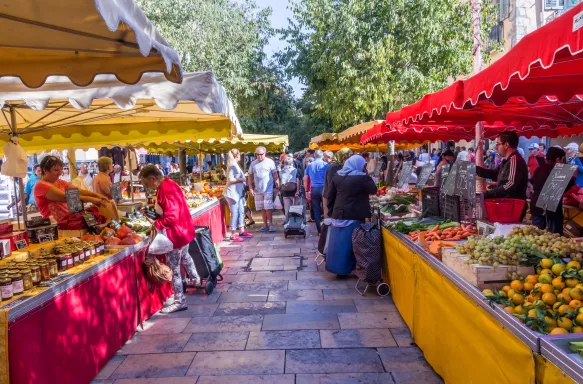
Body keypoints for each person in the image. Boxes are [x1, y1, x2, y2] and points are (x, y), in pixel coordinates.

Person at [139, 164, 200, 313]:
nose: (148, 187)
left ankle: (180, 300)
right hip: (184, 229)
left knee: (174, 267)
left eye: (147, 183)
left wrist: (157, 224)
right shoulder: (168, 184)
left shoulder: (166, 190)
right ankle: (195, 279)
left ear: (153, 178)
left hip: (177, 233)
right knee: (185, 256)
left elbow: (171, 217)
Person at [326, 155, 377, 276]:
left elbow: (330, 195)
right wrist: (367, 174)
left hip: (338, 213)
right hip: (354, 214)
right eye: (363, 165)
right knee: (353, 244)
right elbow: (373, 189)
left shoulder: (338, 175)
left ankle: (336, 268)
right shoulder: (361, 178)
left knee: (338, 243)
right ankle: (352, 268)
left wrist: (331, 211)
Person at [34, 156, 107, 224]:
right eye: (56, 170)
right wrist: (91, 199)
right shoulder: (40, 185)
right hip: (54, 225)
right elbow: (66, 197)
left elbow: (79, 191)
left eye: (61, 170)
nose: (60, 173)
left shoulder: (60, 182)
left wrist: (97, 195)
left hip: (68, 222)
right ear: (45, 170)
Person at [476, 132, 528, 201]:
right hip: (505, 204)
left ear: (506, 145)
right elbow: (495, 173)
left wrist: (486, 194)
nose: (496, 147)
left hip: (512, 206)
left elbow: (509, 185)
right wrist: (474, 169)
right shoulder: (507, 161)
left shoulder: (514, 160)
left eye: (498, 144)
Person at [530, 147, 571, 235]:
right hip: (552, 210)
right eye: (563, 159)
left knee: (536, 236)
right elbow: (567, 188)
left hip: (536, 206)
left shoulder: (538, 169)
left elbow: (532, 184)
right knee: (554, 238)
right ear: (558, 159)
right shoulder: (559, 171)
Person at [248, 146, 279, 232]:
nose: (259, 156)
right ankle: (265, 225)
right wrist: (250, 188)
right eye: (257, 154)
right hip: (258, 190)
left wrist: (277, 185)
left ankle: (271, 224)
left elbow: (275, 175)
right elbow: (250, 176)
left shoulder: (270, 162)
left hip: (268, 188)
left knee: (268, 207)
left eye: (261, 154)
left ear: (265, 153)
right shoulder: (253, 163)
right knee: (262, 208)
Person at [226, 149, 254, 242]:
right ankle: (233, 234)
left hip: (238, 193)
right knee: (235, 213)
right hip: (233, 193)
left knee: (241, 211)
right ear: (237, 155)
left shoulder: (234, 164)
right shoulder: (232, 166)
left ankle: (242, 230)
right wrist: (242, 179)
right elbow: (231, 180)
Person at [304, 150, 329, 234]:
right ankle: (326, 229)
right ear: (322, 156)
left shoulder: (310, 165)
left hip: (314, 188)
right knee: (326, 209)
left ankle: (320, 230)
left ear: (314, 155)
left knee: (316, 209)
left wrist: (306, 190)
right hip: (324, 188)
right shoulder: (326, 165)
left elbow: (305, 179)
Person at [324, 148, 353, 219]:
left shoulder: (340, 165)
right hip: (332, 196)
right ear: (342, 156)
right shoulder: (334, 166)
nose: (349, 160)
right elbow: (332, 184)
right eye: (347, 157)